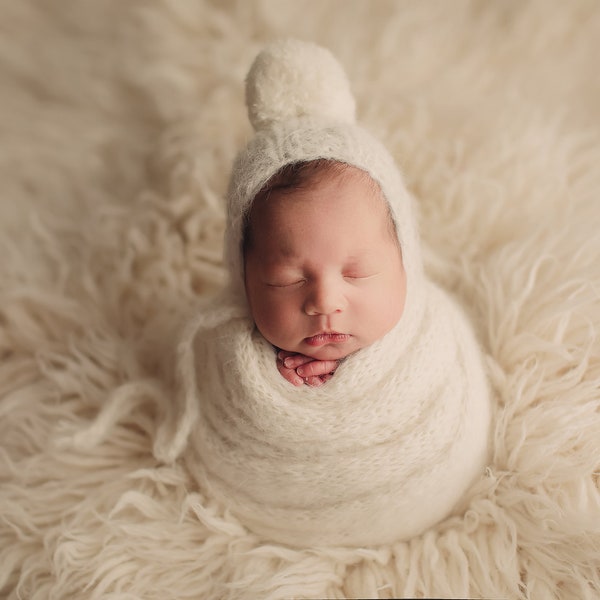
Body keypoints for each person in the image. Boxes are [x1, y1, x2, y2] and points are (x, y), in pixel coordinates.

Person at [243, 158, 407, 387]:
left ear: (405, 268)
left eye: (356, 274)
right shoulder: (231, 344)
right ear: (245, 283)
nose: (325, 302)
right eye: (288, 280)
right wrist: (266, 379)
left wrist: (352, 370)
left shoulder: (432, 338)